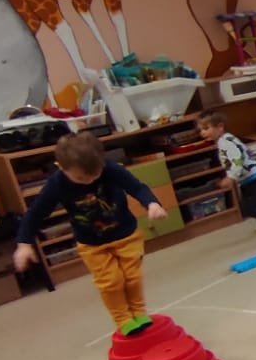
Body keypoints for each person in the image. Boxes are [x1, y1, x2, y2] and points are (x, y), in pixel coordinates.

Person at [13, 131, 166, 334]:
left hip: (126, 235)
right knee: (111, 282)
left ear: (102, 161)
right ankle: (123, 319)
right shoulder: (57, 184)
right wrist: (24, 243)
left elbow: (137, 187)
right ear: (61, 167)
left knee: (132, 278)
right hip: (92, 244)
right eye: (81, 178)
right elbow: (35, 213)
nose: (90, 181)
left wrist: (152, 203)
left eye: (96, 174)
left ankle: (138, 312)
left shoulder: (110, 169)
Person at [198, 111, 256, 239]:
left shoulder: (226, 142)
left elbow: (238, 160)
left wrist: (231, 177)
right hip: (248, 178)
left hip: (252, 179)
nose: (202, 133)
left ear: (220, 127)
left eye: (206, 128)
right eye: (201, 130)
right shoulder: (225, 139)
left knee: (249, 208)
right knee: (254, 204)